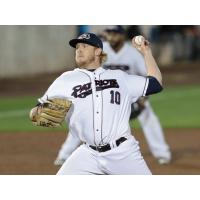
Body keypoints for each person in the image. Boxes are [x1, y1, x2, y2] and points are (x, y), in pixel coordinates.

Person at [31, 32, 163, 175]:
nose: (79, 50)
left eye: (84, 46)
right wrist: (36, 114)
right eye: (77, 47)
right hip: (88, 154)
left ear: (97, 51)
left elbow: (156, 83)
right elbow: (38, 110)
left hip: (123, 153)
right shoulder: (65, 80)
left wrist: (146, 52)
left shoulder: (119, 77)